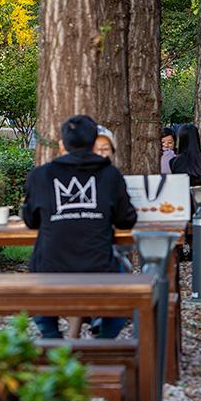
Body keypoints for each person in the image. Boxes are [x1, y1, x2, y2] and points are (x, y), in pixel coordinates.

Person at [22, 114, 137, 340]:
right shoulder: (110, 174)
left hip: (49, 271)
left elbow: (30, 221)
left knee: (34, 275)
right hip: (99, 269)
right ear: (94, 144)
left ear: (62, 144)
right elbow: (126, 220)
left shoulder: (40, 175)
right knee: (127, 281)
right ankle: (103, 343)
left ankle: (51, 337)